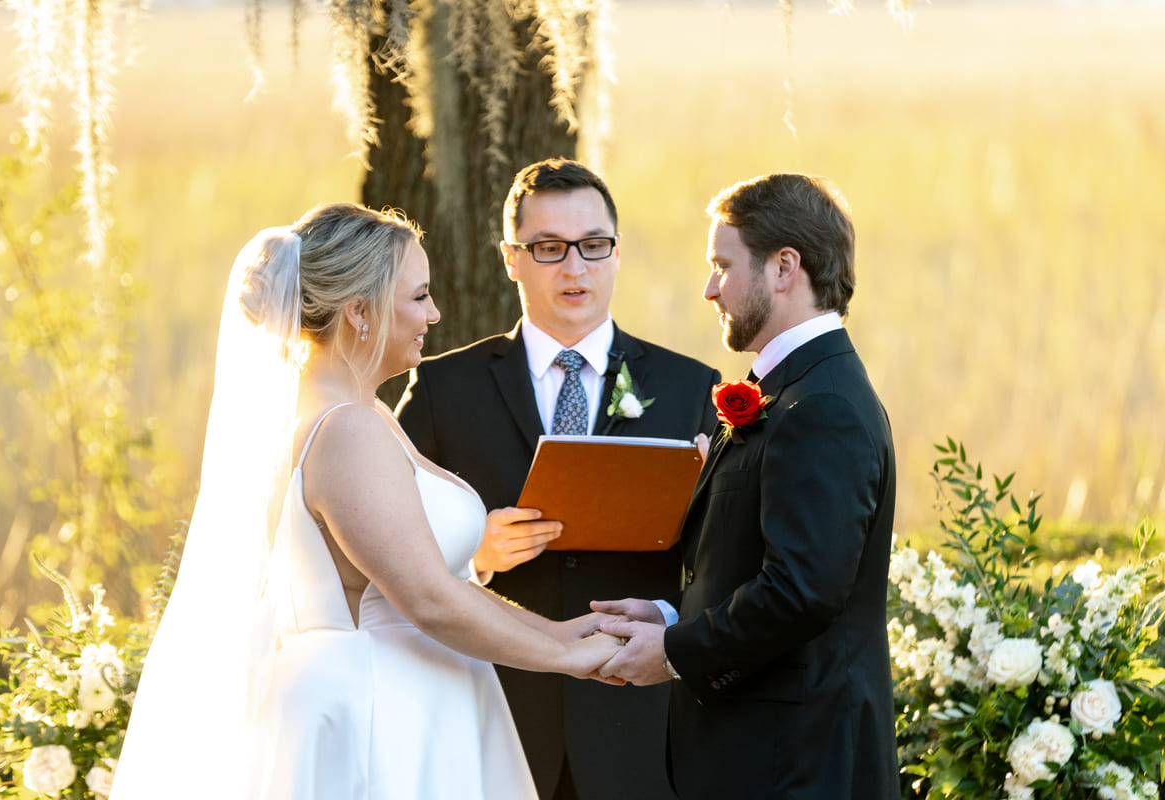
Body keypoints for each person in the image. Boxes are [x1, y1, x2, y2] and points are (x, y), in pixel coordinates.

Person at [109, 203, 623, 800]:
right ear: (360, 311)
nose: (434, 313)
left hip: (418, 696)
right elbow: (428, 599)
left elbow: (450, 582)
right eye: (419, 297)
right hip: (379, 717)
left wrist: (566, 634)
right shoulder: (345, 429)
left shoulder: (363, 413)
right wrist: (567, 661)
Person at [395, 158, 720, 800]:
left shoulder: (692, 389)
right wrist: (475, 555)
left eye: (593, 246)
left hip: (640, 725)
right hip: (493, 712)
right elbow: (383, 545)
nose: (575, 268)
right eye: (549, 248)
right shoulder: (442, 388)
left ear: (617, 253)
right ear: (511, 258)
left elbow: (725, 559)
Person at [594, 173, 901, 799]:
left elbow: (802, 592)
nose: (710, 288)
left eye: (722, 265)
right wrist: (670, 613)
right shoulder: (795, 392)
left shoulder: (823, 406)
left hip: (794, 766)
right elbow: (762, 566)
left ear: (784, 267)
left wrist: (678, 650)